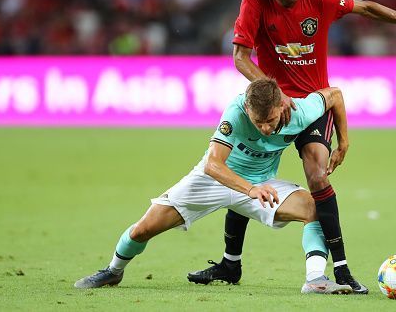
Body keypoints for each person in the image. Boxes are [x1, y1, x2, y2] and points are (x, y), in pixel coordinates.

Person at [187, 0, 396, 294]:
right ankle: (230, 264)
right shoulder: (255, 2)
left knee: (317, 177)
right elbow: (239, 57)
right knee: (245, 172)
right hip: (274, 108)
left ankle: (341, 270)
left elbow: (369, 8)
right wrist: (275, 93)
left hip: (314, 107)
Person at [75, 79, 353, 294]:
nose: (266, 129)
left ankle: (315, 279)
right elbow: (212, 165)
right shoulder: (235, 113)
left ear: (282, 105)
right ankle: (113, 270)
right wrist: (249, 189)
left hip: (260, 185)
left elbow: (335, 95)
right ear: (247, 110)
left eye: (270, 121)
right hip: (213, 181)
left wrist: (344, 142)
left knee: (314, 208)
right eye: (258, 122)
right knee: (142, 229)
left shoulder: (300, 111)